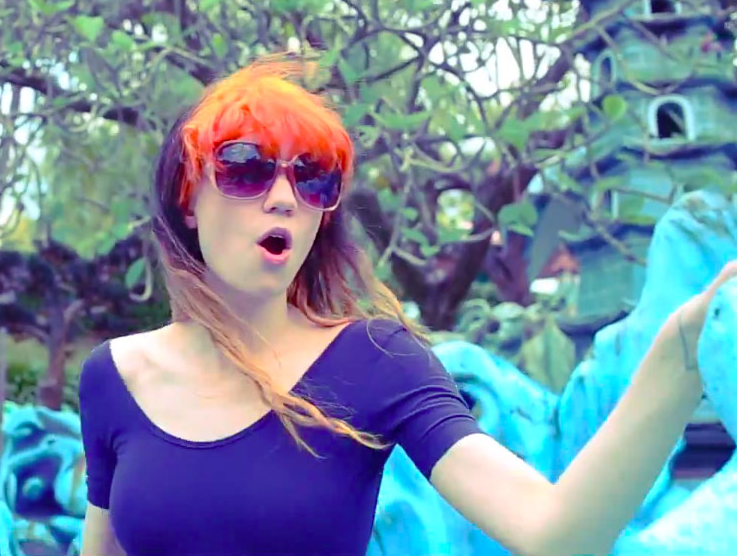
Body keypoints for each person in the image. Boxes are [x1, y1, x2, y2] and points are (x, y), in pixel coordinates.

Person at [75, 54, 737, 556]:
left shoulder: (374, 361)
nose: (283, 197)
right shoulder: (113, 377)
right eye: (246, 167)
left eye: (312, 177)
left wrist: (681, 350)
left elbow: (552, 531)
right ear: (188, 198)